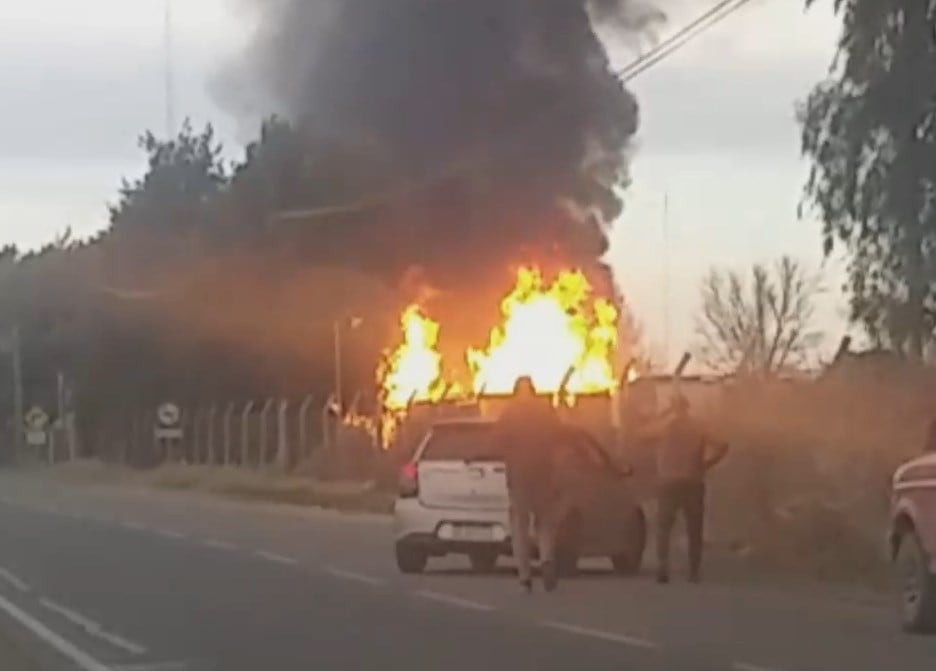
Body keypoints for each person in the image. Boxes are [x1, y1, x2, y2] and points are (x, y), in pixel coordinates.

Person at [493, 376, 563, 593]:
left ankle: (525, 576)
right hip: (544, 473)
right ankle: (546, 559)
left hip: (519, 476)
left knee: (520, 527)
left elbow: (497, 440)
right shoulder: (545, 411)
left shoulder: (510, 413)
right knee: (545, 523)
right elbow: (559, 435)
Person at [649, 393, 728, 584]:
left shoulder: (662, 427)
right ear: (687, 407)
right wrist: (706, 464)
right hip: (692, 481)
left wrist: (661, 415)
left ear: (672, 407)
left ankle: (662, 567)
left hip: (668, 481)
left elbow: (638, 435)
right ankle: (693, 571)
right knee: (694, 528)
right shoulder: (697, 427)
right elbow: (723, 445)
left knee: (663, 528)